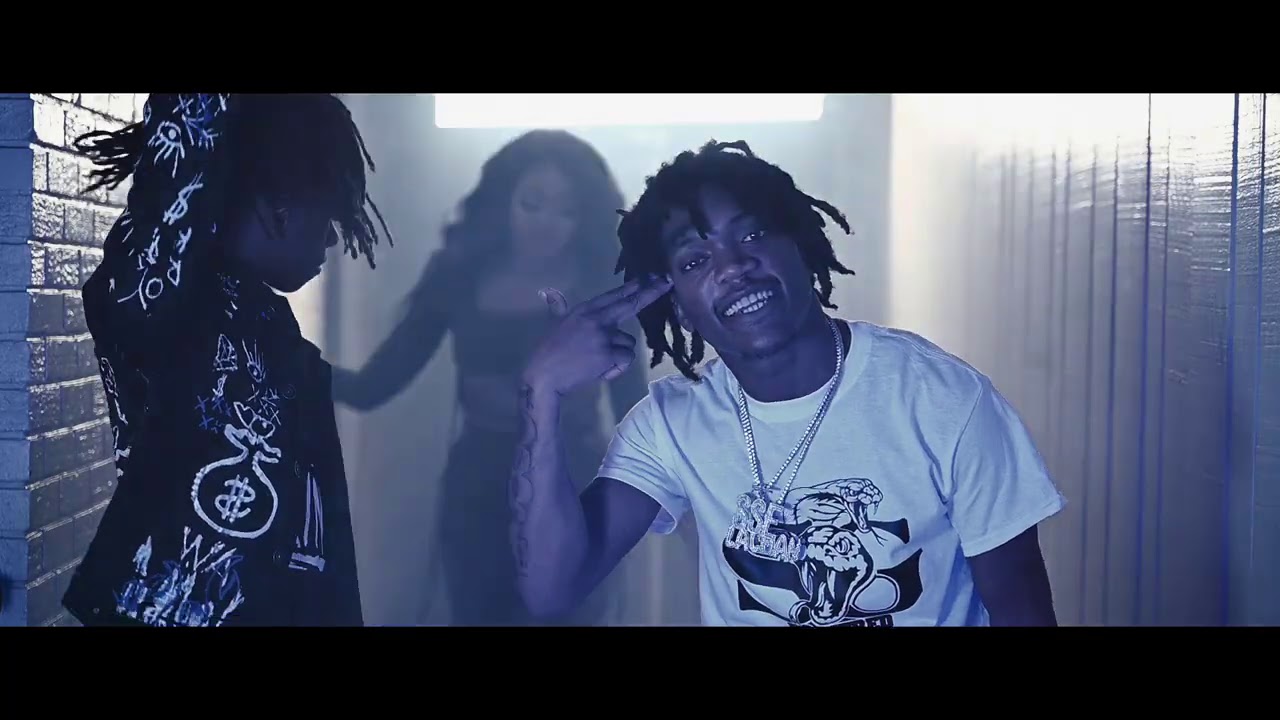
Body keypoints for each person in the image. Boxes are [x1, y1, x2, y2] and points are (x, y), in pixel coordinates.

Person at [511, 139, 1066, 627]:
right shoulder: (669, 425)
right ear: (676, 306)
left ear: (799, 244)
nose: (733, 267)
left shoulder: (942, 398)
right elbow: (552, 590)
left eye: (752, 234)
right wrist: (543, 389)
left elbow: (1021, 611)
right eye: (696, 260)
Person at [61, 93, 392, 627]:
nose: (332, 238)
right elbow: (179, 150)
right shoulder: (167, 306)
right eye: (327, 211)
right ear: (278, 204)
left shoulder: (268, 323)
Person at [331, 130, 646, 626]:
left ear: (585, 218)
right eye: (532, 203)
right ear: (503, 202)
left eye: (566, 210)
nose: (546, 222)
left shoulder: (602, 288)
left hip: (575, 481)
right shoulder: (458, 275)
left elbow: (637, 414)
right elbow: (373, 386)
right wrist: (286, 359)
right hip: (479, 489)